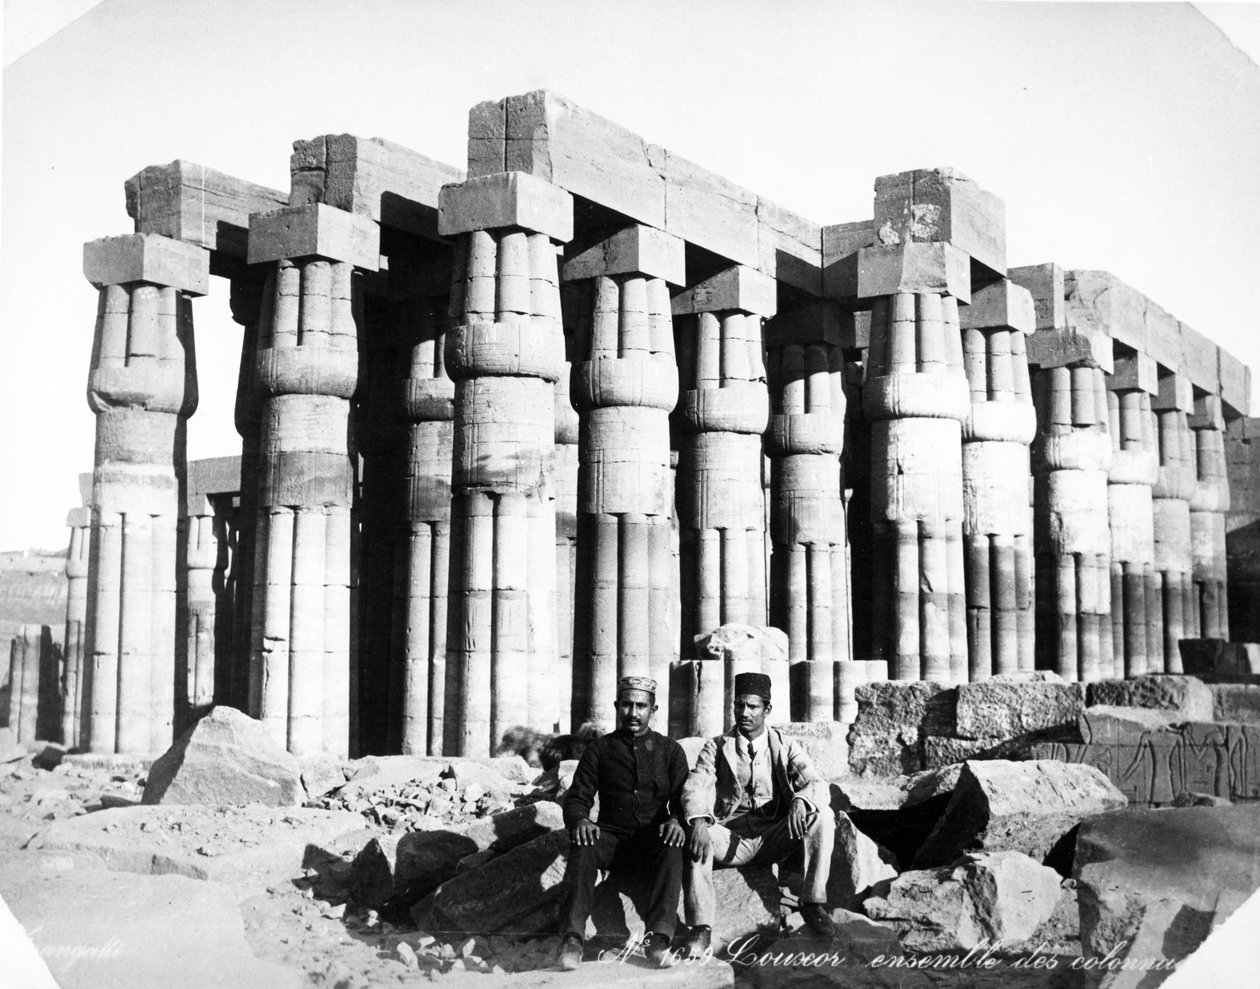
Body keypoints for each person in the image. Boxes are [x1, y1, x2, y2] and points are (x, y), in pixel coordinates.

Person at [680, 672, 836, 955]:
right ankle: (701, 928)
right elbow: (697, 783)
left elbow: (816, 783)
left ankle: (812, 902)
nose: (744, 713)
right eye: (739, 705)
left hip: (772, 840)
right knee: (695, 831)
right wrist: (699, 821)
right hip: (730, 840)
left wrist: (800, 800)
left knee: (822, 816)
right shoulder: (716, 746)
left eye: (752, 706)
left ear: (767, 709)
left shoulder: (785, 745)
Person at [555, 675, 690, 971]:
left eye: (641, 706)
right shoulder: (599, 749)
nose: (633, 713)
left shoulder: (670, 751)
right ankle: (572, 940)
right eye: (627, 705)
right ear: (617, 706)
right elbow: (577, 798)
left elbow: (684, 798)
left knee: (672, 846)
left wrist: (676, 821)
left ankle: (658, 940)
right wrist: (580, 820)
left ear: (653, 709)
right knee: (583, 844)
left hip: (652, 841)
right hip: (611, 841)